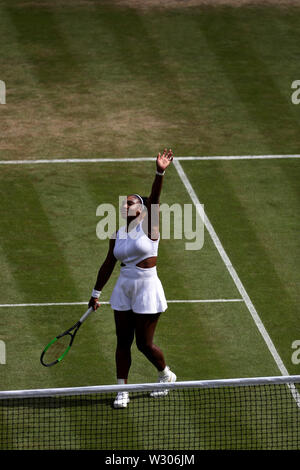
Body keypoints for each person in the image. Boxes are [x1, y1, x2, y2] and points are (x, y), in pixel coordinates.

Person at [88, 148, 176, 408]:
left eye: (130, 202)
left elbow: (156, 198)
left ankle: (165, 375)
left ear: (142, 208)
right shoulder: (117, 234)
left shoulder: (150, 227)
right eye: (124, 203)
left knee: (144, 345)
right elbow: (108, 264)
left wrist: (159, 172)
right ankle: (121, 390)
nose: (125, 205)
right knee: (122, 341)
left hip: (147, 287)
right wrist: (95, 293)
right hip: (124, 288)